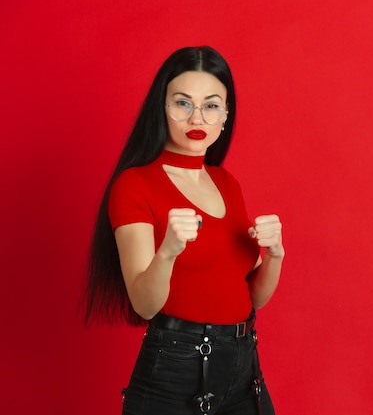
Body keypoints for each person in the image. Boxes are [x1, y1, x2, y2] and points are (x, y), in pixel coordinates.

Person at [84, 46, 284, 415]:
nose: (197, 117)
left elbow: (252, 298)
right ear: (161, 109)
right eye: (182, 103)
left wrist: (275, 256)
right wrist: (168, 250)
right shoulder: (135, 185)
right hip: (175, 367)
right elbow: (145, 304)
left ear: (225, 116)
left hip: (244, 365)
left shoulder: (227, 183)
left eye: (211, 105)